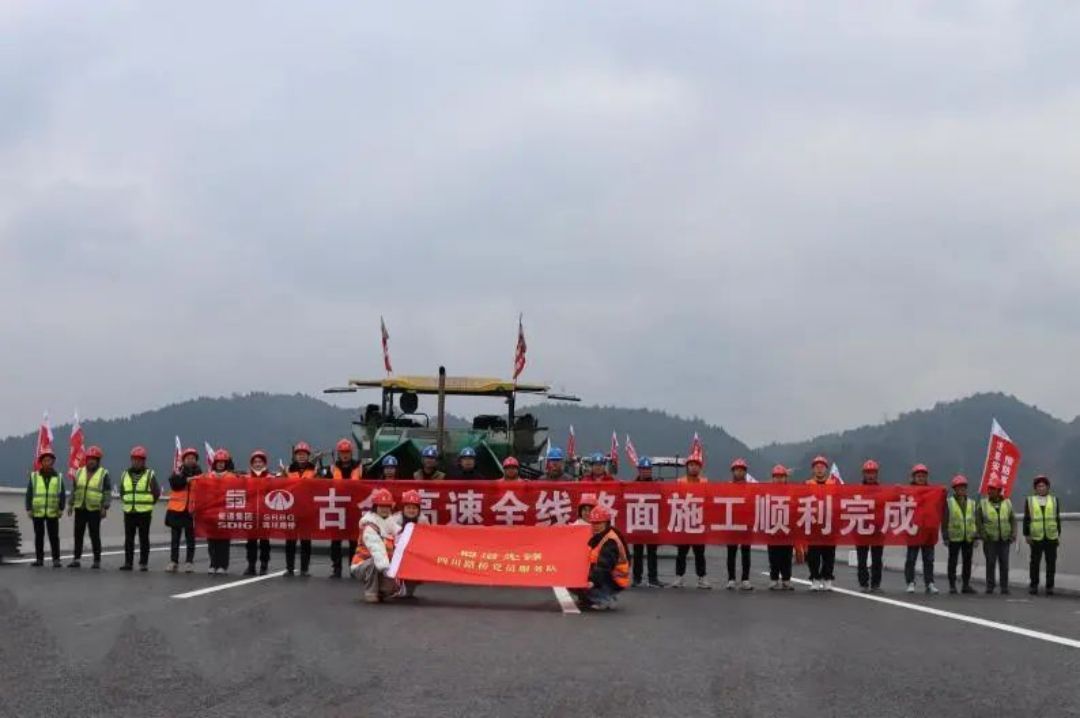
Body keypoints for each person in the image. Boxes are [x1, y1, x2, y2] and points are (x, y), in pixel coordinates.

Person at [573, 506, 630, 611]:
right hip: (604, 574)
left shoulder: (610, 540)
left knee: (584, 583)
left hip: (614, 578)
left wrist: (592, 581)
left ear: (606, 523)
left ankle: (605, 598)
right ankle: (589, 599)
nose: (595, 526)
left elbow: (604, 566)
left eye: (599, 523)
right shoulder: (597, 535)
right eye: (593, 523)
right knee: (573, 580)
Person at [350, 488, 402, 603]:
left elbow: (400, 537)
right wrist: (386, 569)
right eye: (381, 506)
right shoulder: (369, 525)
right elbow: (376, 548)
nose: (384, 509)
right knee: (374, 564)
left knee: (392, 588)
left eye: (387, 506)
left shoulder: (390, 522)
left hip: (383, 563)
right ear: (375, 507)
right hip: (362, 564)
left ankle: (381, 591)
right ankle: (371, 593)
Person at [68, 445, 110, 569]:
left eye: (94, 459)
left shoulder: (103, 474)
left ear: (98, 461)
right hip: (80, 507)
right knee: (78, 534)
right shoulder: (79, 472)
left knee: (94, 534)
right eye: (89, 458)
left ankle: (97, 560)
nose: (91, 461)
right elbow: (74, 489)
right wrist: (70, 504)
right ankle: (76, 559)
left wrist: (104, 507)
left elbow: (107, 492)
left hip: (94, 509)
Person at [120, 446, 160, 572]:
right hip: (129, 511)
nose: (136, 462)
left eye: (139, 460)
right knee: (129, 539)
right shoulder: (125, 474)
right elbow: (122, 492)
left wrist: (148, 504)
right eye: (134, 459)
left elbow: (156, 492)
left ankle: (143, 563)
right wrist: (128, 502)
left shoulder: (149, 474)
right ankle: (128, 563)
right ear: (131, 460)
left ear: (144, 461)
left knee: (144, 538)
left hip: (144, 512)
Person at [673, 454, 709, 589]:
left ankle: (702, 578)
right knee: (681, 552)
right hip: (684, 520)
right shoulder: (680, 482)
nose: (694, 467)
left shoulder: (705, 482)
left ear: (700, 468)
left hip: (698, 521)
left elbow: (709, 500)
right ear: (687, 467)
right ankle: (679, 577)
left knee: (699, 552)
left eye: (696, 465)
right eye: (691, 465)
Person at [25, 448, 65, 568]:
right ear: (41, 462)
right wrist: (29, 508)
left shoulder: (58, 477)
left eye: (49, 460)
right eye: (45, 460)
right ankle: (39, 559)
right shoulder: (34, 476)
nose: (47, 462)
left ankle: (56, 560)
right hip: (38, 512)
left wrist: (61, 508)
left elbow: (62, 494)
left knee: (54, 537)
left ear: (53, 462)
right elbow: (29, 493)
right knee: (39, 536)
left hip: (53, 511)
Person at [328, 439, 362, 578]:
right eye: (342, 452)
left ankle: (353, 568)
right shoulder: (333, 468)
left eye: (347, 452)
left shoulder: (359, 467)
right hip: (337, 507)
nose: (345, 455)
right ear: (339, 454)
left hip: (353, 508)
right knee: (336, 540)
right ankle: (336, 568)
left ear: (351, 452)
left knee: (354, 540)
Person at [805, 456, 839, 591]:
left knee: (829, 553)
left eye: (822, 467)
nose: (819, 469)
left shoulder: (833, 484)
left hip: (829, 523)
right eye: (817, 467)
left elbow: (839, 501)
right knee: (813, 554)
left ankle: (827, 578)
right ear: (813, 469)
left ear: (826, 469)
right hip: (813, 524)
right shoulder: (807, 484)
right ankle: (815, 578)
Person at [977, 477, 1015, 595]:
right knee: (990, 563)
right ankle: (990, 586)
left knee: (1004, 563)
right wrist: (983, 534)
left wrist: (1013, 534)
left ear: (999, 490)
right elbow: (978, 521)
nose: (990, 491)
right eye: (989, 489)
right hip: (990, 539)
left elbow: (1012, 520)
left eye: (993, 489)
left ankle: (1004, 587)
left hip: (1004, 539)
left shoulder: (1007, 503)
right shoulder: (983, 504)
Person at [904, 464, 939, 594]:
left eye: (923, 476)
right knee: (911, 559)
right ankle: (910, 582)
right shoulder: (907, 492)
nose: (921, 478)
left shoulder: (932, 492)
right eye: (918, 476)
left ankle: (929, 583)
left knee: (929, 559)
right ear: (913, 477)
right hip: (913, 530)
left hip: (928, 530)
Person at [630, 457, 664, 588]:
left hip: (651, 522)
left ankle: (653, 578)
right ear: (639, 470)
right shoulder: (632, 485)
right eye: (643, 469)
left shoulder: (656, 485)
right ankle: (637, 578)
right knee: (637, 552)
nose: (645, 471)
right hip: (638, 522)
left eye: (648, 469)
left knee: (652, 552)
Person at [285, 441, 317, 576]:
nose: (301, 456)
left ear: (308, 456)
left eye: (304, 454)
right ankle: (289, 568)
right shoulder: (288, 470)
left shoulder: (314, 470)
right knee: (290, 541)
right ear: (295, 456)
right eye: (299, 454)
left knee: (306, 542)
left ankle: (304, 569)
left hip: (307, 510)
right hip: (291, 510)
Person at [165, 447, 200, 573]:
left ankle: (189, 562)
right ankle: (173, 561)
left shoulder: (199, 473)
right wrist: (186, 480)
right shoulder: (178, 470)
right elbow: (174, 483)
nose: (190, 460)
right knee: (175, 538)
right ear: (183, 460)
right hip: (176, 509)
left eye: (193, 458)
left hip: (191, 510)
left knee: (190, 538)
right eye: (188, 458)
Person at [1025, 475, 1060, 596]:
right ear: (1035, 488)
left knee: (1051, 563)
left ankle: (1050, 587)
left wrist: (1058, 534)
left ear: (1047, 487)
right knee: (1034, 563)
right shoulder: (1030, 501)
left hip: (1051, 536)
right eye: (1039, 486)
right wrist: (1027, 534)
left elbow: (1057, 519)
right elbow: (1027, 519)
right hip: (1036, 536)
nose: (1041, 488)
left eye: (1043, 486)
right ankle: (1034, 585)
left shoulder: (1054, 500)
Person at [944, 475, 977, 594]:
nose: (961, 489)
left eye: (963, 487)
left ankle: (966, 585)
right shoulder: (949, 503)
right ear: (955, 489)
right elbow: (945, 520)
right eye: (959, 487)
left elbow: (974, 520)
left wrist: (976, 536)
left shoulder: (972, 503)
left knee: (967, 562)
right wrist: (945, 536)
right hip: (954, 537)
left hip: (968, 537)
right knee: (952, 562)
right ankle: (952, 585)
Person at [393, 489, 429, 598]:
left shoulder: (423, 520)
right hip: (396, 553)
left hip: (414, 553)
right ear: (403, 508)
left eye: (414, 508)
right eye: (408, 507)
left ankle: (410, 587)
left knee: (408, 594)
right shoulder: (395, 519)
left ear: (418, 509)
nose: (411, 510)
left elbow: (428, 539)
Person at [205, 449, 235, 575]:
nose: (220, 464)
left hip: (225, 512)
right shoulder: (208, 476)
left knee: (223, 541)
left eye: (223, 462)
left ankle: (223, 565)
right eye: (218, 462)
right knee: (211, 541)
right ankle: (213, 564)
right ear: (215, 463)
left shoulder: (232, 477)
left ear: (226, 463)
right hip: (211, 513)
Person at [855, 459, 884, 593]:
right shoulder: (857, 490)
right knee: (862, 558)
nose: (870, 475)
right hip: (861, 528)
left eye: (873, 473)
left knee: (877, 558)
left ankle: (876, 583)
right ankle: (863, 583)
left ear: (876, 474)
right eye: (868, 473)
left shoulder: (883, 490)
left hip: (877, 529)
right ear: (864, 474)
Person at [243, 450, 273, 576]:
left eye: (260, 461)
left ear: (264, 463)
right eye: (255, 462)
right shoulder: (246, 478)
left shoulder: (270, 478)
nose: (258, 464)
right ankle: (251, 565)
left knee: (265, 542)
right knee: (251, 542)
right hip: (251, 513)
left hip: (265, 514)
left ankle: (264, 565)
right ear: (252, 464)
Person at [766, 465, 795, 590]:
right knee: (773, 556)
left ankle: (786, 579)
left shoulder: (792, 491)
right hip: (773, 528)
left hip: (787, 528)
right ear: (772, 478)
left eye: (781, 477)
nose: (779, 479)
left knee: (787, 556)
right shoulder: (767, 492)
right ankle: (774, 579)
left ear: (786, 478)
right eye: (776, 477)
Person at [726, 458, 753, 591]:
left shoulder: (750, 488)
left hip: (746, 524)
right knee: (731, 552)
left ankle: (745, 579)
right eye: (737, 470)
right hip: (732, 523)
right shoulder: (727, 486)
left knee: (746, 552)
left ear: (745, 472)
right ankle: (731, 579)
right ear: (733, 471)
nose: (739, 472)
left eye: (742, 470)